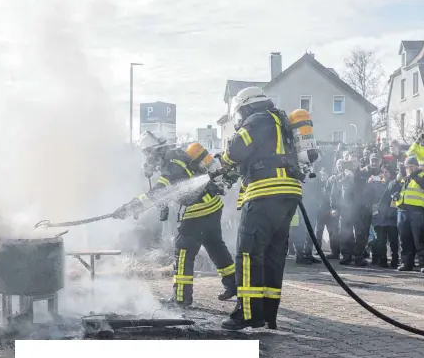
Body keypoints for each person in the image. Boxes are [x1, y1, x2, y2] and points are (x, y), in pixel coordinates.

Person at [114, 131, 237, 307]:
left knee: (183, 252)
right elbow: (170, 192)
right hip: (213, 208)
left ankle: (181, 298)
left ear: (156, 151)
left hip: (198, 212)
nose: (148, 158)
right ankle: (233, 285)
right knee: (216, 247)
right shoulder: (178, 155)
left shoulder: (172, 166)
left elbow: (156, 194)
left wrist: (130, 208)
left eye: (148, 153)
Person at [218, 86, 305, 330]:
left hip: (264, 192)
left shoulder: (257, 119)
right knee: (273, 257)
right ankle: (268, 314)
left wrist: (224, 159)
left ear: (245, 106)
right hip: (288, 194)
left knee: (247, 255)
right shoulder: (281, 120)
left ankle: (246, 314)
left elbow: (235, 150)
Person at [389, 156, 424, 273]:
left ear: (417, 166)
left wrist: (413, 175)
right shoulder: (403, 178)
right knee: (404, 239)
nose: (409, 169)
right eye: (407, 167)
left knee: (419, 239)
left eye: (411, 166)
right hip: (402, 211)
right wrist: (399, 176)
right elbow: (391, 188)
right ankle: (406, 262)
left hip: (417, 211)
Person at [331, 152, 371, 266]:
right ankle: (346, 256)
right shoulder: (340, 176)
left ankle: (358, 257)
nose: (352, 163)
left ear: (359, 162)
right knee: (345, 234)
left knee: (361, 234)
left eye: (354, 161)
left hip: (360, 209)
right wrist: (334, 207)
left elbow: (367, 191)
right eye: (350, 161)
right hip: (345, 210)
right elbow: (334, 193)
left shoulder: (364, 175)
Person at [371, 166, 399, 268]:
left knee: (393, 241)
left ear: (390, 174)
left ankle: (395, 260)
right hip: (378, 218)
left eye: (386, 172)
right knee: (380, 241)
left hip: (391, 218)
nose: (384, 174)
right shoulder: (374, 185)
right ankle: (382, 260)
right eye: (382, 172)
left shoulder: (395, 184)